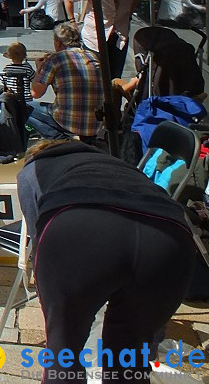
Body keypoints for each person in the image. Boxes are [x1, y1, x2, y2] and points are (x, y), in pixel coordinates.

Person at [17, 139, 196, 383]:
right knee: (130, 359)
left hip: (79, 226)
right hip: (171, 236)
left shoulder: (31, 170)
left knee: (64, 353)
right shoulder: (115, 164)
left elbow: (40, 234)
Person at [26, 22, 104, 142]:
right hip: (94, 124)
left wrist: (39, 70)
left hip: (68, 122)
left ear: (57, 42)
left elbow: (36, 93)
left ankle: (58, 138)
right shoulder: (92, 56)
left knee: (25, 107)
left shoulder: (55, 59)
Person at [65, 0, 140, 78]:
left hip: (120, 34)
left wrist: (128, 14)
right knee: (96, 74)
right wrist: (72, 21)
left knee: (115, 74)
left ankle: (115, 96)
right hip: (94, 35)